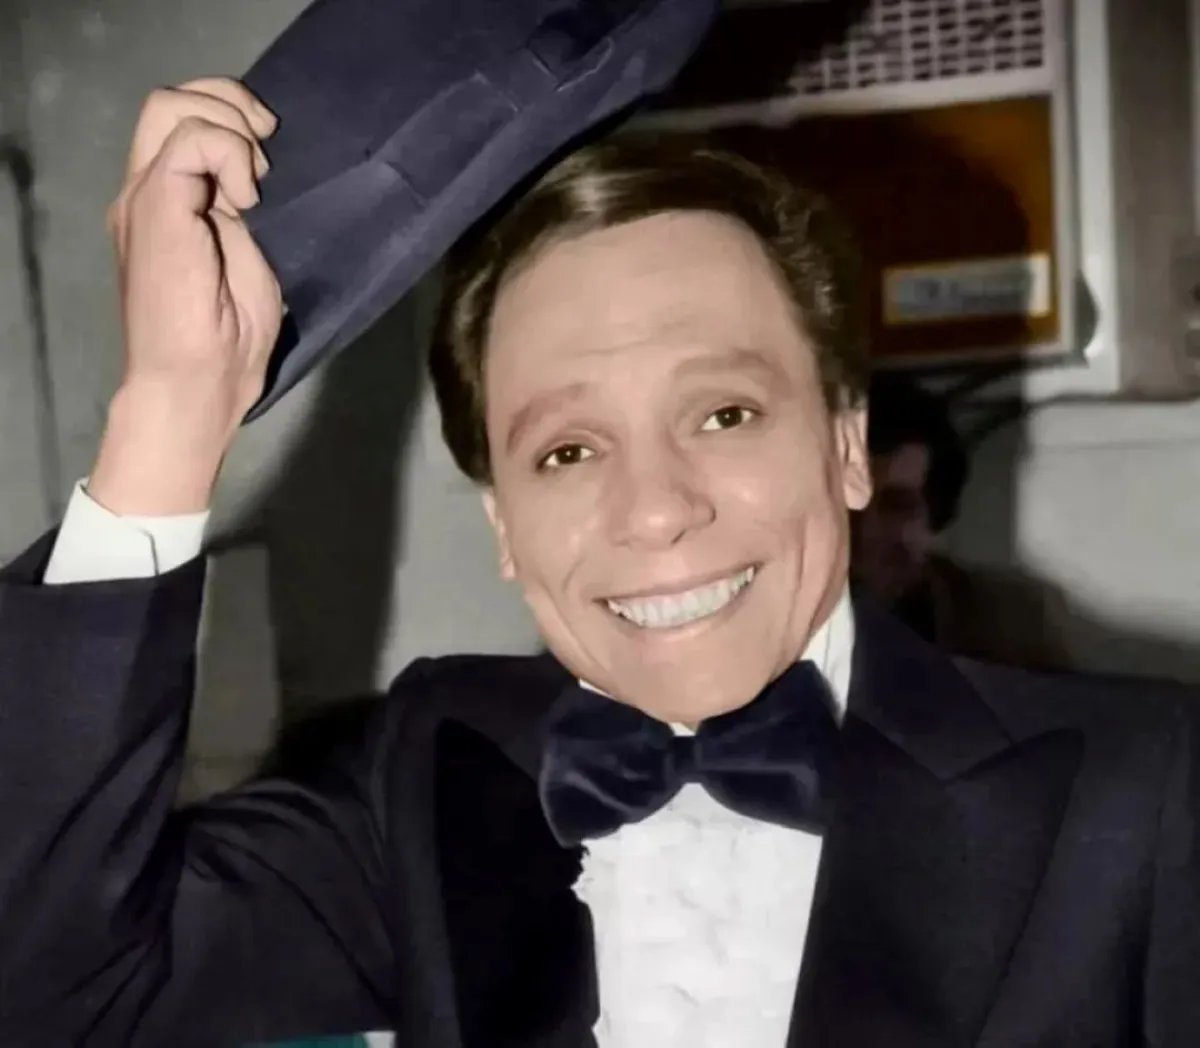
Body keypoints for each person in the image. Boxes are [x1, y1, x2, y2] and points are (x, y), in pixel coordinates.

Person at [0, 78, 1198, 1048]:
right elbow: (55, 989)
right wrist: (169, 410)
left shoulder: (1145, 796)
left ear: (845, 446)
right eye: (568, 450)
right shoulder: (431, 773)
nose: (656, 511)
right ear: (502, 524)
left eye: (724, 414)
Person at [852, 373, 1072, 669]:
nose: (865, 532)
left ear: (936, 513)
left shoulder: (1008, 624)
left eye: (897, 507)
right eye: (846, 505)